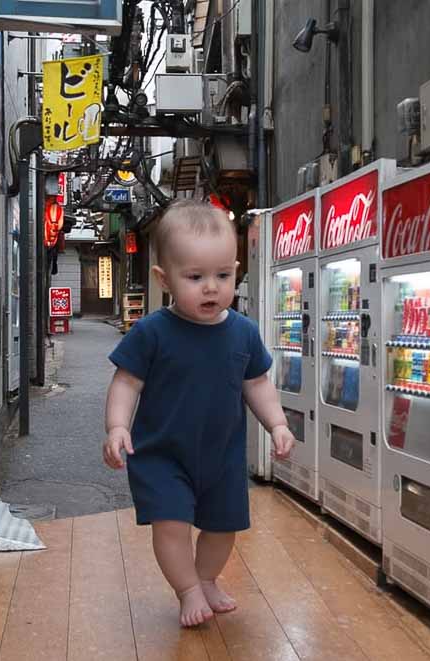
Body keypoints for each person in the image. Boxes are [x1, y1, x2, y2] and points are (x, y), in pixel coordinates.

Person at [103, 199, 296, 627]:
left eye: (223, 275)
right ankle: (187, 588)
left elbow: (257, 382)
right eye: (195, 277)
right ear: (164, 278)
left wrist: (277, 423)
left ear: (236, 271)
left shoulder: (243, 332)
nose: (211, 287)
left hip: (222, 456)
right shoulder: (152, 332)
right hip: (162, 454)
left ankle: (206, 578)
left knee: (222, 527)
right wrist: (117, 426)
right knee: (170, 524)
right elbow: (126, 382)